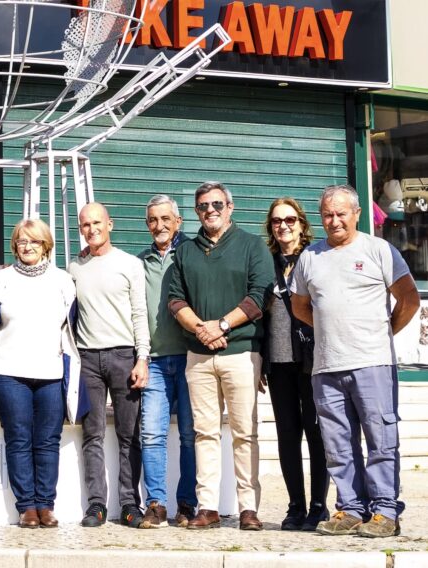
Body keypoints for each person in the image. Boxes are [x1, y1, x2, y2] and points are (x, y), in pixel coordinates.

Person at [292, 184, 420, 538]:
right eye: (327, 215)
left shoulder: (379, 249)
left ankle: (384, 512)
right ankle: (350, 508)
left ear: (357, 214)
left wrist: (384, 332)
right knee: (337, 443)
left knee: (381, 438)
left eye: (341, 214)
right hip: (327, 365)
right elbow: (299, 306)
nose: (334, 221)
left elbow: (409, 299)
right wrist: (332, 328)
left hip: (372, 363)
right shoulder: (310, 257)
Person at [167, 181, 274, 531]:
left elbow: (260, 296)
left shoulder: (251, 246)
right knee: (205, 434)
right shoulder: (185, 251)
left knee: (245, 433)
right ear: (196, 212)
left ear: (230, 207)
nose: (209, 210)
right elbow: (175, 299)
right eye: (202, 206)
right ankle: (208, 507)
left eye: (216, 204)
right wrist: (201, 329)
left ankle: (248, 509)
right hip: (198, 357)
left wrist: (222, 326)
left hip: (241, 353)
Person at [0, 218, 84, 529]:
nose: (28, 247)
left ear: (46, 246)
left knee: (48, 440)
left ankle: (46, 505)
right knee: (19, 438)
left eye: (35, 242)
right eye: (22, 241)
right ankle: (26, 506)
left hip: (51, 372)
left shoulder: (63, 281)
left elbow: (72, 326)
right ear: (14, 246)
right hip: (9, 373)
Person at [67, 202, 149, 528]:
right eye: (85, 225)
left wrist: (142, 358)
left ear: (110, 224)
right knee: (93, 435)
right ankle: (97, 506)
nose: (91, 229)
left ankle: (130, 504)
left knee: (129, 435)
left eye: (97, 223)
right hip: (88, 358)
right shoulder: (74, 267)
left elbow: (140, 314)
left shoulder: (129, 264)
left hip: (124, 356)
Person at [262, 198, 329, 531]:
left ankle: (319, 507)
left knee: (316, 434)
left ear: (301, 223)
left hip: (312, 360)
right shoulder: (266, 262)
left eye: (290, 219)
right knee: (287, 436)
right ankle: (295, 507)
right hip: (278, 362)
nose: (283, 225)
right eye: (277, 221)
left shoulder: (315, 258)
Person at [137, 195, 197, 529]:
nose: (158, 226)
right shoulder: (140, 261)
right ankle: (157, 503)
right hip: (155, 361)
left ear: (178, 221)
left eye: (165, 219)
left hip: (190, 358)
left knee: (190, 434)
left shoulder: (191, 254)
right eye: (152, 220)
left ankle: (187, 503)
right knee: (151, 434)